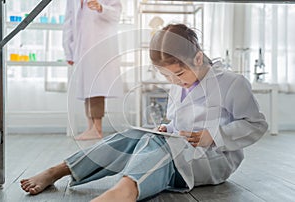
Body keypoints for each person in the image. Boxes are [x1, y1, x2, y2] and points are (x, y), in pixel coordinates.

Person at [20, 24, 268, 201]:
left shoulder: (231, 83)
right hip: (179, 151)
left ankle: (124, 191)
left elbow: (256, 125)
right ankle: (59, 170)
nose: (175, 81)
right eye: (166, 75)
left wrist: (213, 135)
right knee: (133, 135)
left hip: (212, 160)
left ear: (199, 58)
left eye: (178, 74)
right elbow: (178, 122)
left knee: (153, 143)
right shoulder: (178, 84)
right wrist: (167, 129)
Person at [63, 0, 123, 140]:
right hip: (82, 47)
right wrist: (68, 50)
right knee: (87, 89)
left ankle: (97, 128)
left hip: (100, 46)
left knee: (96, 87)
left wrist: (101, 7)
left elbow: (116, 14)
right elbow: (69, 22)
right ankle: (91, 127)